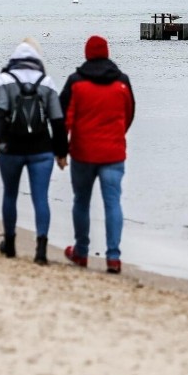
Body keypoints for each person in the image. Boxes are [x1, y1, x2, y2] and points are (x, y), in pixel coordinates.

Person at [0, 38, 68, 264]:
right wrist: (62, 153)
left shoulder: (5, 79)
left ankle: (10, 244)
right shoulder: (47, 81)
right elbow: (57, 121)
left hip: (11, 149)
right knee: (41, 198)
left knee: (9, 194)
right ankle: (40, 251)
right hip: (41, 150)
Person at [59, 35, 135, 274]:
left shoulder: (75, 82)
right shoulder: (122, 82)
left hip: (82, 153)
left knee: (81, 201)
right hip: (113, 153)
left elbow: (63, 119)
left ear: (87, 53)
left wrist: (60, 150)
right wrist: (117, 135)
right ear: (107, 53)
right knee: (113, 203)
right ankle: (113, 257)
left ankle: (81, 252)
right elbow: (129, 113)